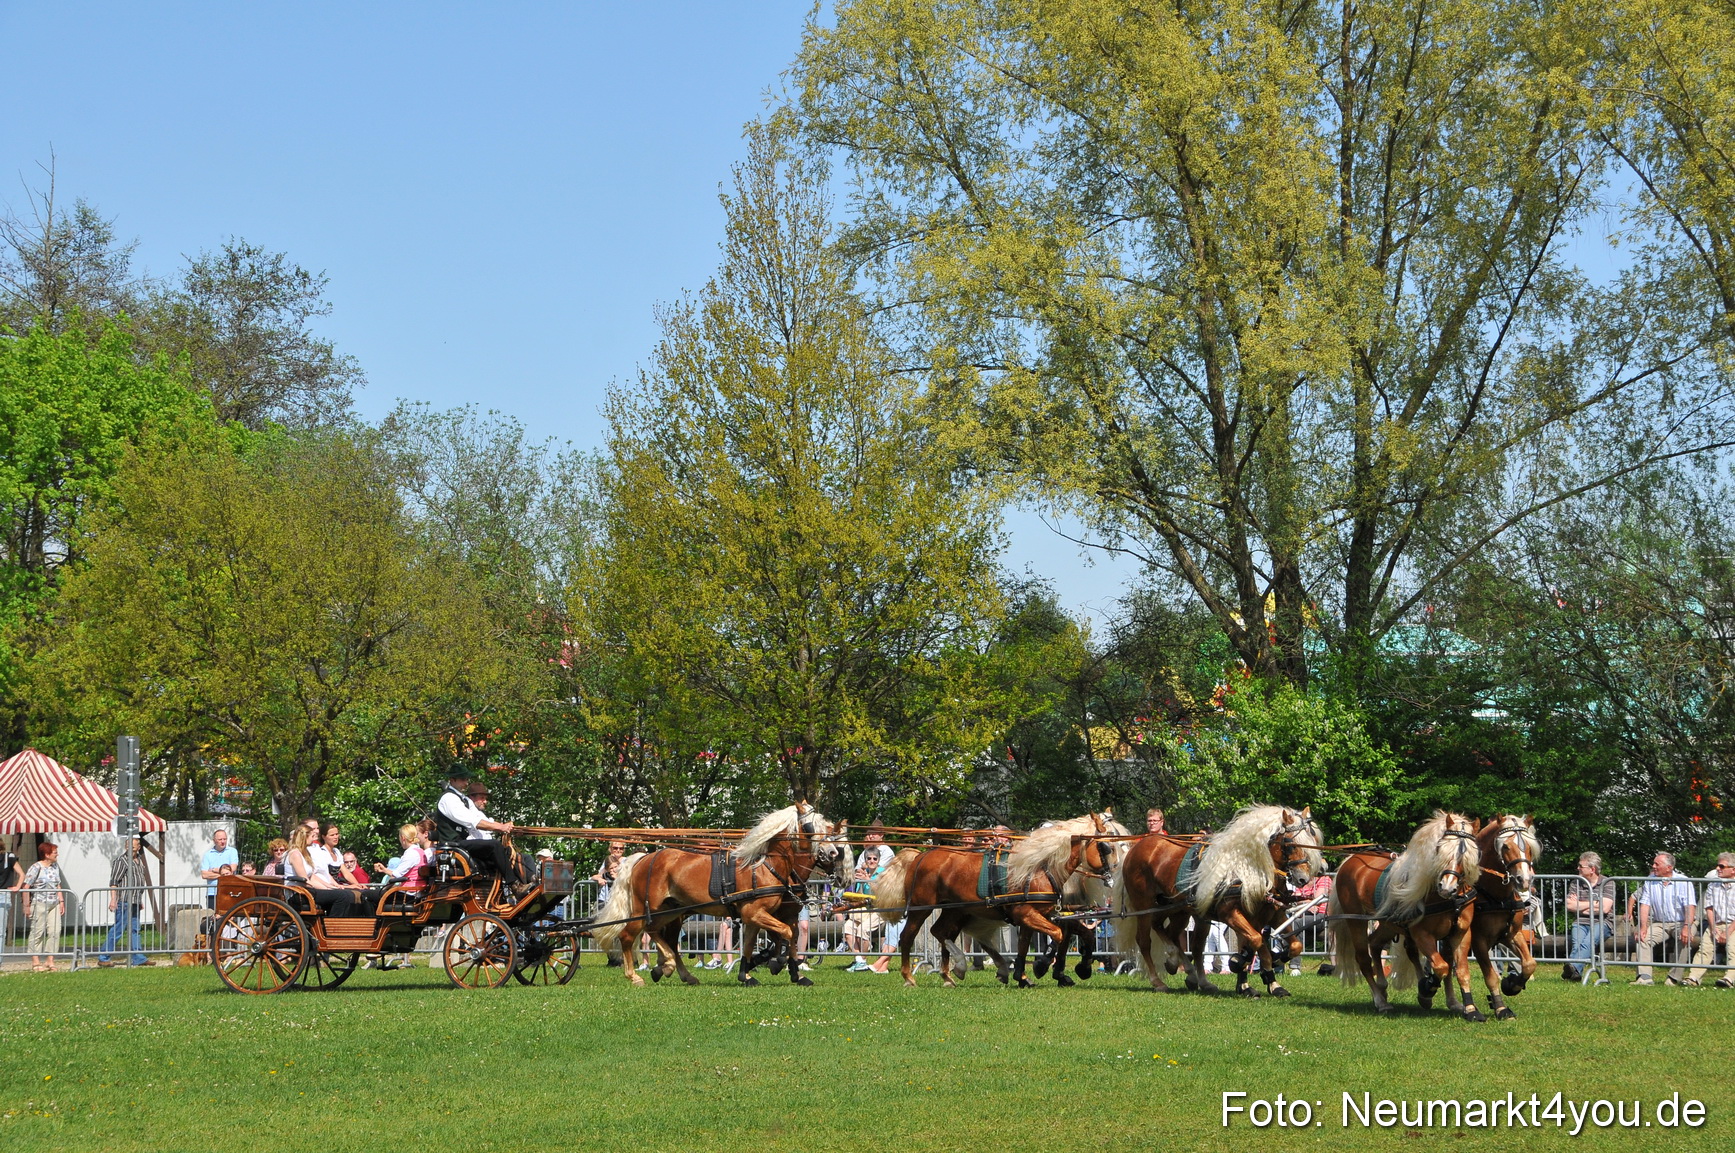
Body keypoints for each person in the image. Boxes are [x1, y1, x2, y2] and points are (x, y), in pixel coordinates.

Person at [432, 769, 531, 895]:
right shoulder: (448, 799)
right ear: (452, 780)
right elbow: (473, 821)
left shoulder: (465, 800)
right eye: (463, 779)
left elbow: (481, 818)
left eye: (467, 779)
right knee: (494, 845)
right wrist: (500, 828)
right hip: (452, 845)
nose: (466, 782)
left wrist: (507, 827)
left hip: (462, 844)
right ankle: (514, 886)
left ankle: (522, 884)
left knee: (505, 851)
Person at [1633, 850, 1696, 986]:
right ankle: (1644, 977)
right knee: (1643, 938)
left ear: (1669, 867)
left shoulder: (1684, 881)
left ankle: (1673, 978)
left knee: (1686, 939)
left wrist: (1687, 927)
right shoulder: (1650, 880)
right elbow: (1645, 904)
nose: (1653, 866)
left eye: (1657, 864)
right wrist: (1643, 927)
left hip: (1682, 922)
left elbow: (1690, 907)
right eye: (1653, 863)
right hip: (1659, 923)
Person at [98, 836, 153, 967]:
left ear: (138, 848)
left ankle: (138, 957)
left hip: (135, 901)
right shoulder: (121, 861)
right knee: (118, 929)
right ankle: (103, 957)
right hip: (124, 901)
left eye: (133, 847)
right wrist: (113, 899)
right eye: (128, 847)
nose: (130, 850)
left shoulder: (139, 860)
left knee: (135, 929)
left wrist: (139, 899)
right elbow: (114, 882)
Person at [1562, 851, 1615, 982]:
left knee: (1587, 943)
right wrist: (1594, 903)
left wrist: (1579, 905)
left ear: (1592, 869)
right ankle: (1575, 974)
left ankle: (1571, 968)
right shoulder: (1576, 883)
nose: (1578, 868)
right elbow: (1569, 906)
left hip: (1603, 922)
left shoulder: (1607, 883)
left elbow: (1605, 908)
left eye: (1581, 866)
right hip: (1581, 921)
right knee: (1577, 944)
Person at [285, 827, 358, 917]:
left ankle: (335, 924)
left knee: (348, 894)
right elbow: (305, 880)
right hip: (298, 893)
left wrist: (330, 887)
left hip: (307, 891)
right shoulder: (295, 854)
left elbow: (312, 876)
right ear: (304, 837)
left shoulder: (305, 853)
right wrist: (327, 890)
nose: (313, 840)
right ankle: (332, 927)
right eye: (312, 836)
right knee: (341, 896)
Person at [1687, 852, 1735, 988]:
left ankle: (1729, 979)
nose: (1717, 869)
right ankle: (1693, 978)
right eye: (1717, 865)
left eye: (1722, 866)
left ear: (1733, 870)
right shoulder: (1713, 885)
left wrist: (1728, 931)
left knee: (1733, 948)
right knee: (1705, 948)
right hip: (1716, 923)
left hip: (1733, 925)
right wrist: (1713, 928)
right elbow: (1709, 908)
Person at [25, 841, 66, 972]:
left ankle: (50, 960)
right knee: (37, 931)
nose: (57, 855)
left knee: (55, 931)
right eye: (55, 853)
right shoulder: (36, 867)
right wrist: (26, 905)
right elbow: (26, 886)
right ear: (47, 854)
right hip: (39, 903)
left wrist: (61, 901)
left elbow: (58, 884)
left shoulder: (55, 867)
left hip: (54, 903)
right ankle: (35, 961)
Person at [200, 829, 239, 909]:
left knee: (229, 917)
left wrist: (213, 870)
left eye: (224, 839)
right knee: (213, 918)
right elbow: (204, 874)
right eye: (220, 839)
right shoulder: (208, 855)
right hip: (212, 892)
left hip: (229, 891)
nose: (223, 841)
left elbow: (233, 868)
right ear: (214, 841)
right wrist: (224, 874)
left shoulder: (232, 851)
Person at [0, 851, 21, 948]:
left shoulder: (9, 857)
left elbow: (21, 874)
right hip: (3, 895)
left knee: (1, 932)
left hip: (3, 894)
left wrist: (17, 886)